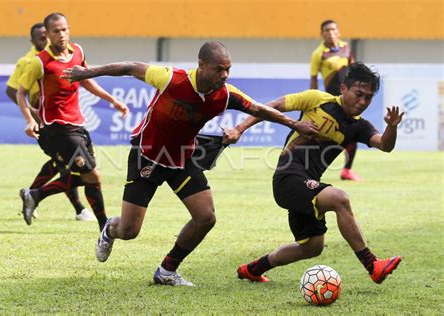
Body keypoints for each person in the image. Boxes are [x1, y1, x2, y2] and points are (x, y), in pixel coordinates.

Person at [61, 41, 319, 286]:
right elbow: (130, 67)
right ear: (202, 65)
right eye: (219, 69)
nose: (225, 74)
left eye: (228, 68)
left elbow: (260, 109)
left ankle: (167, 270)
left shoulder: (226, 94)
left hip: (183, 159)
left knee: (206, 217)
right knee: (129, 231)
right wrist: (87, 73)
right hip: (147, 155)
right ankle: (110, 229)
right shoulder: (171, 78)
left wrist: (294, 124)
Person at [226, 62, 403, 285]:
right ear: (343, 89)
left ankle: (253, 269)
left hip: (307, 184)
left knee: (312, 247)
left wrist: (392, 127)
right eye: (359, 94)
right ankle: (372, 264)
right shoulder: (317, 99)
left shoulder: (359, 126)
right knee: (340, 199)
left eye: (368, 98)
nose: (363, 102)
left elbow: (385, 145)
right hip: (287, 178)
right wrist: (239, 129)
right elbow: (270, 107)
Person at [16, 13, 128, 231]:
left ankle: (36, 194)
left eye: (65, 29)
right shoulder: (39, 63)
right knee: (92, 175)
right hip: (58, 129)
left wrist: (112, 100)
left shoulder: (78, 52)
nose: (62, 35)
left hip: (78, 125)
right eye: (56, 31)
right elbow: (21, 93)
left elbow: (85, 80)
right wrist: (29, 120)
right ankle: (104, 226)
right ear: (47, 34)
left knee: (89, 177)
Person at [6, 22, 94, 222]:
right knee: (67, 166)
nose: (45, 40)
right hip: (45, 125)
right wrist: (31, 114)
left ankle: (33, 195)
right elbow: (14, 91)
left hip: (61, 121)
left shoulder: (64, 55)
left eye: (47, 36)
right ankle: (78, 208)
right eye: (41, 38)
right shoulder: (29, 62)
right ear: (33, 40)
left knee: (61, 164)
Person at [310, 19, 359, 181]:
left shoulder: (346, 48)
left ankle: (347, 170)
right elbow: (314, 79)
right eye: (326, 30)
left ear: (338, 32)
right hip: (332, 100)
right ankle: (312, 168)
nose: (330, 33)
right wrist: (313, 99)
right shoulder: (319, 54)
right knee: (325, 135)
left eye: (333, 30)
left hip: (349, 100)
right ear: (321, 34)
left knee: (354, 131)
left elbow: (353, 71)